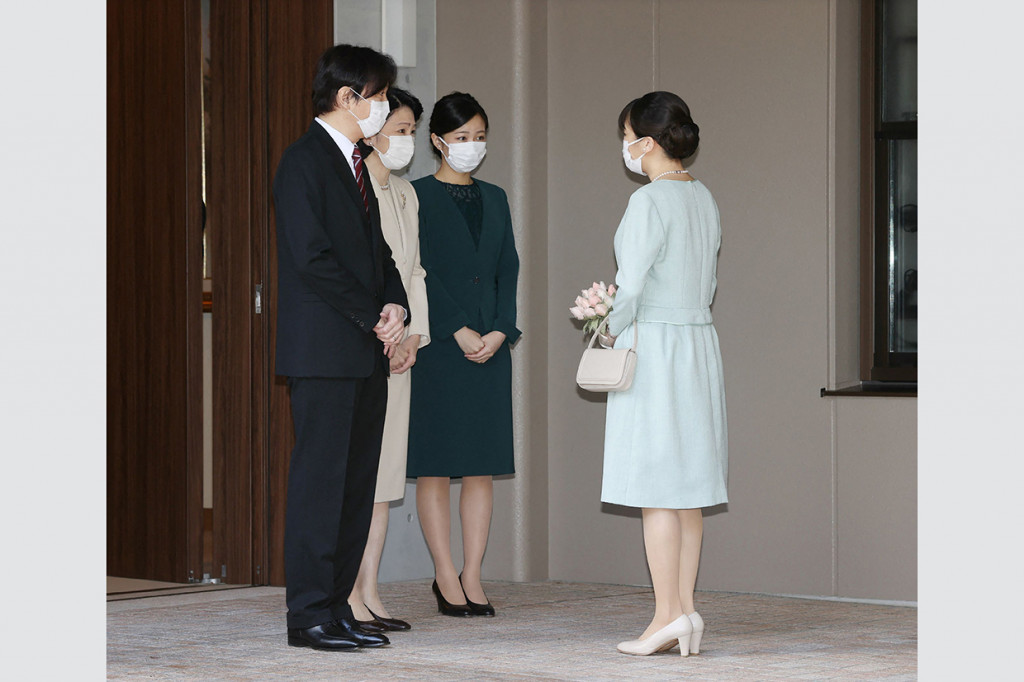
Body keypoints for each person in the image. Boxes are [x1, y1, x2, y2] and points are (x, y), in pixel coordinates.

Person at [273, 44, 410, 651]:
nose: (382, 107)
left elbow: (377, 254)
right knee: (321, 486)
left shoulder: (356, 164)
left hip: (362, 348)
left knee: (356, 486)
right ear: (346, 97)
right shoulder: (302, 163)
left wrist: (395, 304)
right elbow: (312, 259)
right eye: (378, 96)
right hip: (324, 351)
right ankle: (307, 616)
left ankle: (337, 607)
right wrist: (369, 316)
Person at [601, 91, 728, 657]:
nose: (624, 146)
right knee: (690, 491)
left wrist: (603, 328)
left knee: (657, 490)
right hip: (699, 345)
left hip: (655, 345)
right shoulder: (704, 198)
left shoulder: (649, 203)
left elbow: (629, 285)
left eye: (627, 134)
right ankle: (685, 612)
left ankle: (664, 616)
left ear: (646, 143)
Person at [406, 91, 521, 617]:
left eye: (478, 138)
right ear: (437, 141)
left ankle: (473, 574)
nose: (471, 147)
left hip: (491, 349)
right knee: (434, 467)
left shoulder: (495, 197)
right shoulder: (416, 196)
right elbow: (416, 271)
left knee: (480, 467)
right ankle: (443, 574)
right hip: (441, 348)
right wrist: (457, 329)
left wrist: (501, 330)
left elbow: (507, 270)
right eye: (460, 138)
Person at [346, 87, 430, 632]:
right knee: (360, 474)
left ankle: (370, 588)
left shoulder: (404, 194)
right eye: (398, 128)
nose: (406, 140)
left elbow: (414, 270)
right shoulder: (354, 191)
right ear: (372, 127)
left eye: (411, 131)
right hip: (364, 344)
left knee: (386, 478)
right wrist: (384, 331)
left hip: (400, 349)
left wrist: (414, 337)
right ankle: (346, 592)